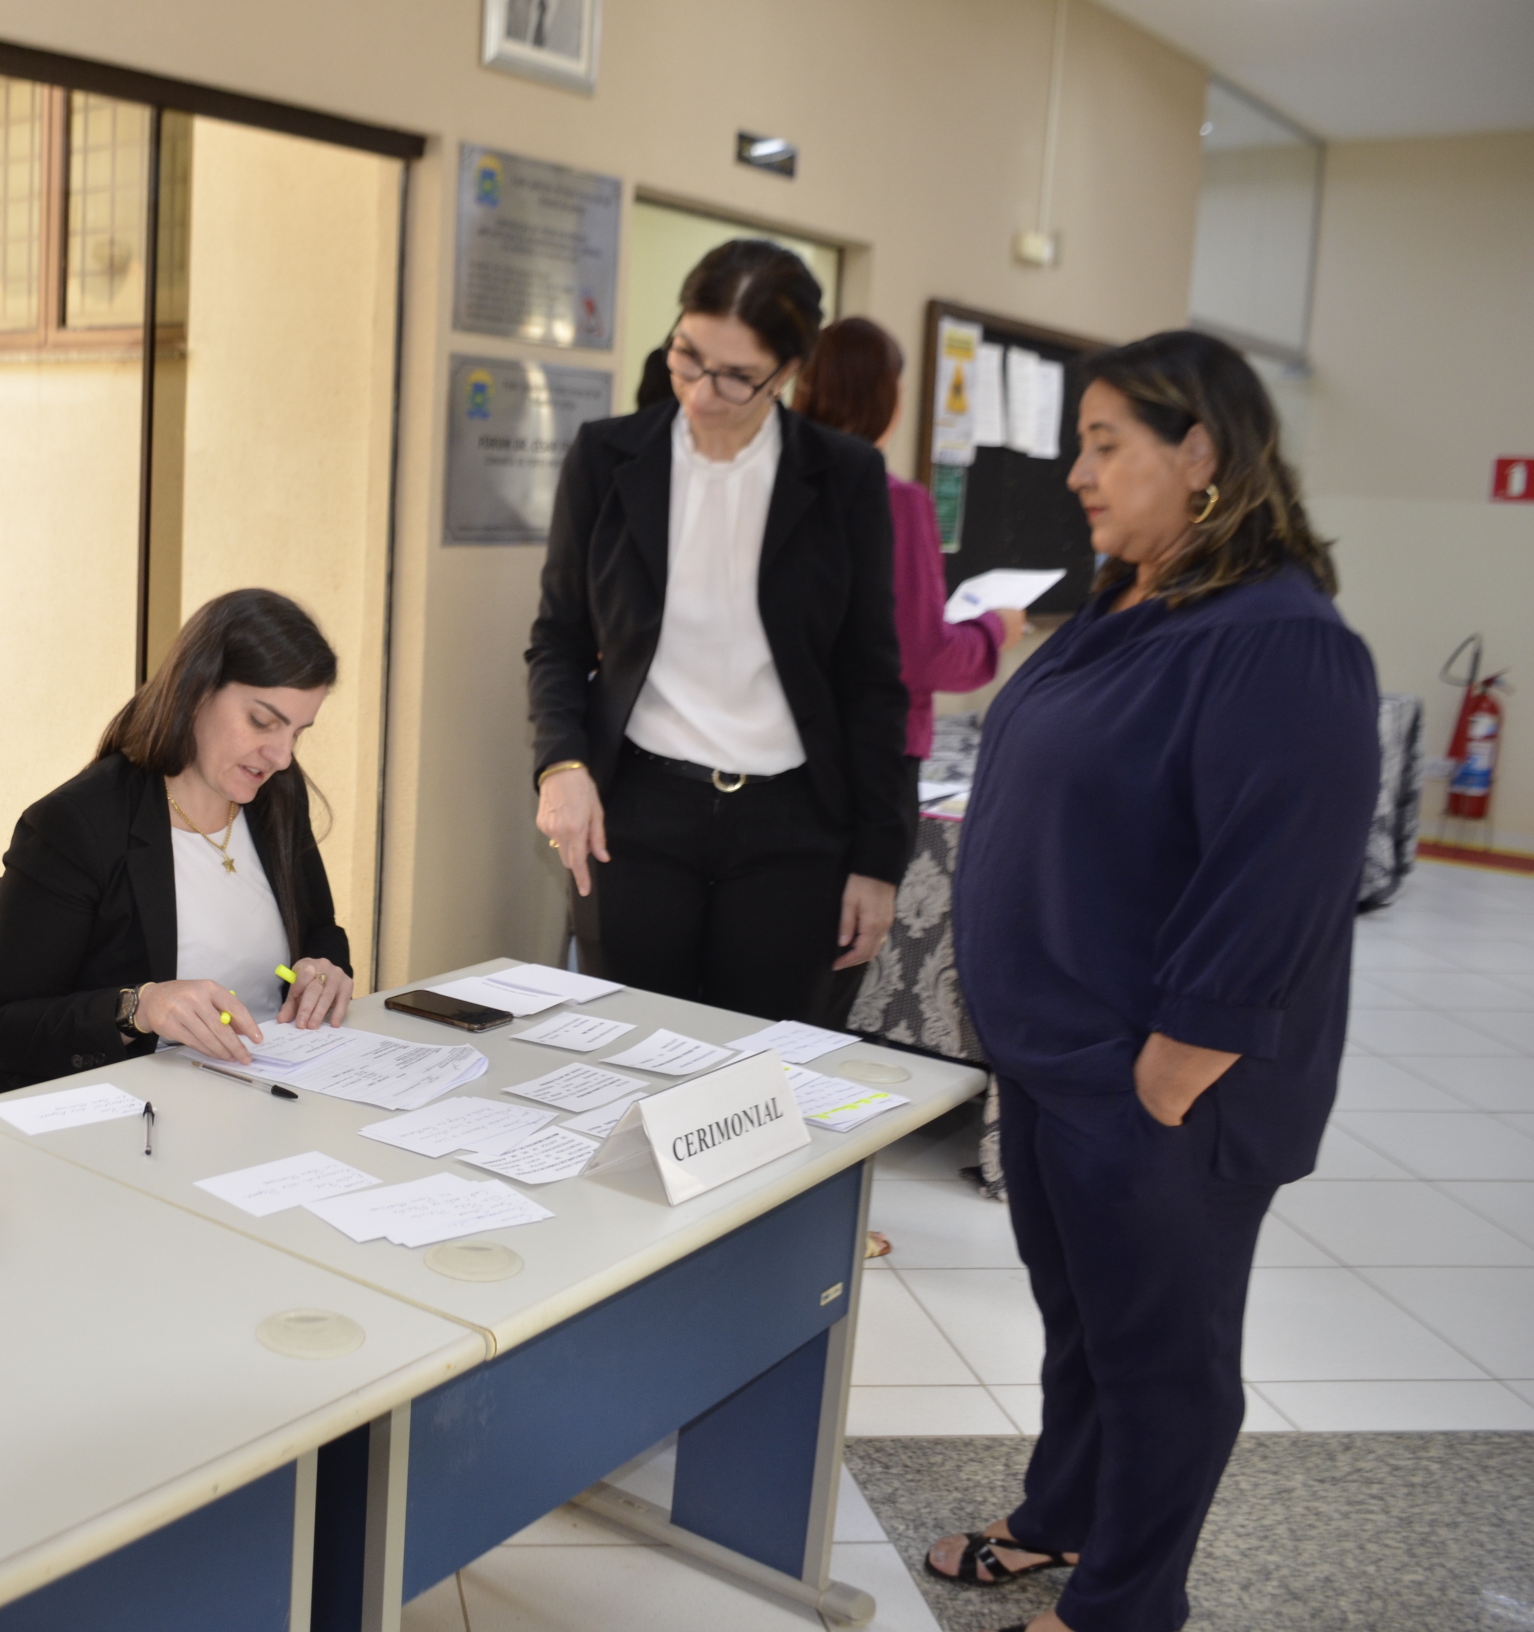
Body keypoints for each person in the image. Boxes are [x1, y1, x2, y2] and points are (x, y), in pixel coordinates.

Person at [931, 331, 1378, 1632]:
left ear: (1202, 454)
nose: (1078, 471)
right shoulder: (1129, 597)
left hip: (1162, 1087)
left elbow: (1277, 883)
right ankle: (1061, 1514)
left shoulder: (1282, 640)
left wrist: (1171, 1074)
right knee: (1084, 1327)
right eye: (1082, 440)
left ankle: (1126, 1604)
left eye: (1104, 442)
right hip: (1065, 1064)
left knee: (1164, 1361)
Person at [527, 239, 910, 1022]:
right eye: (687, 358)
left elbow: (872, 679)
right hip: (637, 818)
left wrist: (879, 860)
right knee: (627, 1057)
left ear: (789, 371)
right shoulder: (607, 457)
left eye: (736, 376)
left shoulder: (843, 478)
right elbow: (559, 638)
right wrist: (560, 763)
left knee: (767, 1081)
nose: (701, 394)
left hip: (795, 827)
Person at [0, 589, 355, 1095]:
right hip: (134, 1114)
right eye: (262, 722)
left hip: (270, 1090)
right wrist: (138, 1008)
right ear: (196, 691)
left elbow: (319, 932)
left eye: (298, 733)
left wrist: (323, 970)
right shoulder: (77, 824)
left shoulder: (276, 797)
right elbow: (0, 1028)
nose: (281, 756)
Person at [793, 315, 1026, 1032]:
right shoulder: (895, 503)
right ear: (887, 398)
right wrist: (995, 628)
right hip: (868, 767)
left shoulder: (776, 489)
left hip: (773, 765)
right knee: (819, 999)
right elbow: (923, 655)